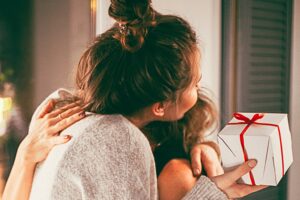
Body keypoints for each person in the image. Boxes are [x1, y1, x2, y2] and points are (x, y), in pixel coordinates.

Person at [3, 0, 267, 199]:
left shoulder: (75, 112)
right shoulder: (118, 140)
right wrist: (25, 155)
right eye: (194, 84)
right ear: (160, 105)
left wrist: (208, 150)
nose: (199, 88)